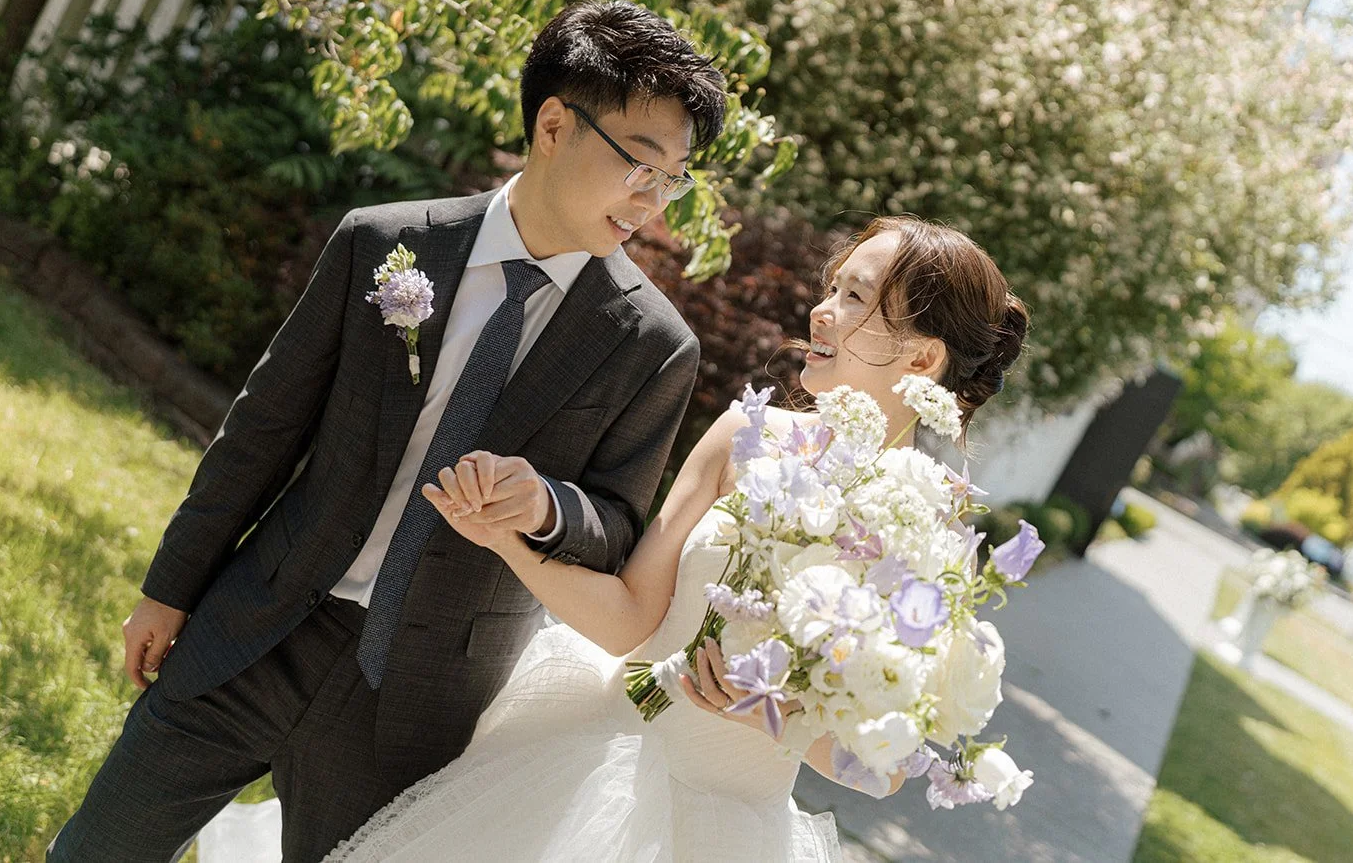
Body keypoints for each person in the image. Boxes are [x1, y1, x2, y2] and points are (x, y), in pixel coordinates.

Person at [46, 0, 723, 863]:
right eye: (640, 163)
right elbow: (262, 431)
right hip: (257, 628)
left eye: (673, 179)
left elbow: (617, 525)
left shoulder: (652, 344)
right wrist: (169, 588)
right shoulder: (384, 243)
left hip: (416, 700)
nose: (652, 200)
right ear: (554, 125)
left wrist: (545, 506)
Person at [320, 215, 1030, 862]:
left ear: (920, 359)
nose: (822, 309)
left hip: (721, 833)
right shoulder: (745, 435)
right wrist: (507, 540)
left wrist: (770, 714)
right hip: (584, 761)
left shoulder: (931, 535)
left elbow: (885, 768)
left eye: (855, 297)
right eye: (833, 287)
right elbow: (632, 617)